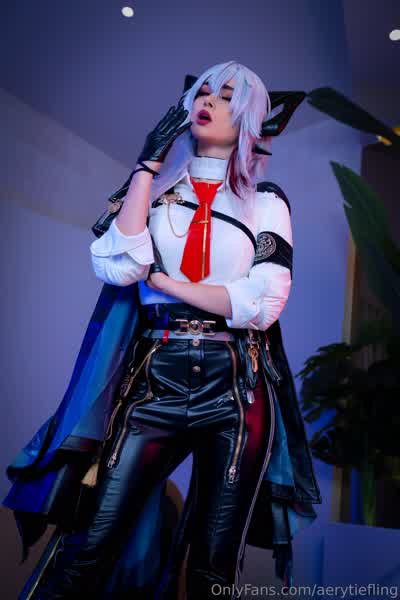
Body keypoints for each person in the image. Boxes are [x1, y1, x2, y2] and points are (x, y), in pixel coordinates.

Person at [3, 61, 322, 600]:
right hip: (155, 379)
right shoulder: (152, 191)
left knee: (214, 568)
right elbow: (116, 265)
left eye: (227, 95)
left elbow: (262, 302)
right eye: (203, 92)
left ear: (250, 118)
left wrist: (167, 284)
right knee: (88, 546)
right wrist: (147, 163)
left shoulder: (267, 202)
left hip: (236, 389)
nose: (209, 101)